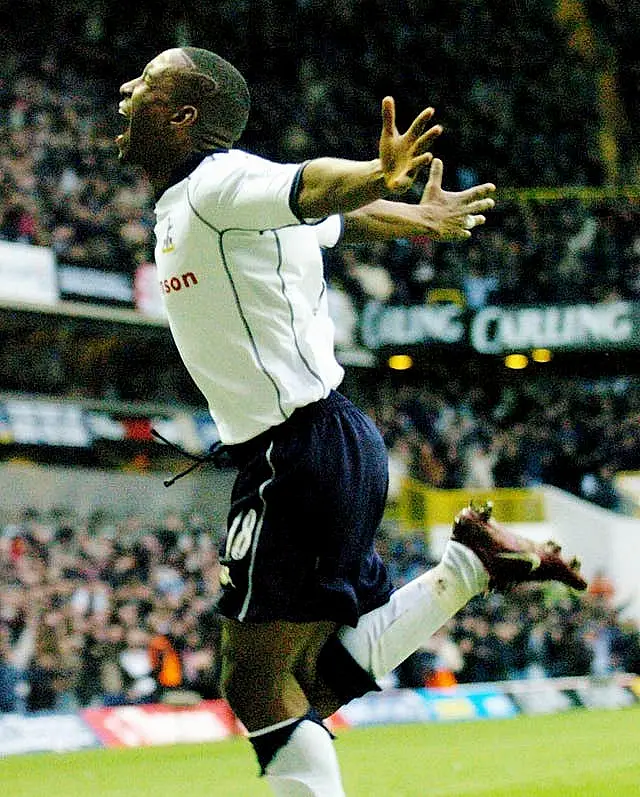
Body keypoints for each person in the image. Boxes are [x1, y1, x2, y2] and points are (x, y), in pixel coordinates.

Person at [116, 47, 587, 796]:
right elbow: (341, 218)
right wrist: (418, 217)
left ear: (184, 116)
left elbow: (318, 186)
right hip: (321, 443)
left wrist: (375, 171)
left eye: (144, 84)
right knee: (300, 681)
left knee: (259, 686)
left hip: (297, 449)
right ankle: (470, 568)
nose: (126, 92)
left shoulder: (219, 184)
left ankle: (470, 570)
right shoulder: (218, 204)